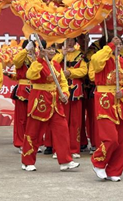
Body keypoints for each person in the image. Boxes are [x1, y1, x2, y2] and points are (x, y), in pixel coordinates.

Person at [20, 40, 80, 172]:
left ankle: (65, 161)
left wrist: (65, 93)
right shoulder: (38, 63)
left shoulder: (56, 65)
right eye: (49, 48)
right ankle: (27, 161)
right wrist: (40, 60)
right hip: (40, 101)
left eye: (53, 48)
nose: (52, 51)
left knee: (62, 131)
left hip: (55, 103)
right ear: (41, 50)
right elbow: (30, 75)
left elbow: (63, 82)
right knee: (33, 133)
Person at [90, 35, 123, 182]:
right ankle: (98, 161)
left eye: (120, 43)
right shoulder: (101, 60)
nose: (118, 46)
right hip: (104, 100)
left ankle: (114, 170)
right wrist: (109, 47)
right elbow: (96, 62)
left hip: (121, 102)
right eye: (116, 43)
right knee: (111, 138)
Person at [54, 36, 88, 158]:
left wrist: (71, 73)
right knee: (61, 121)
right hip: (61, 89)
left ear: (75, 42)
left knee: (75, 122)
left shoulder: (80, 55)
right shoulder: (57, 54)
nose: (69, 42)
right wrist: (61, 55)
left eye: (71, 40)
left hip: (76, 89)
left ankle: (74, 149)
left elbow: (84, 71)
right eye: (67, 40)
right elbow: (51, 66)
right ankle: (58, 149)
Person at [10, 39, 33, 152]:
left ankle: (32, 142)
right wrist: (25, 51)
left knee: (32, 119)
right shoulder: (21, 58)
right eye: (30, 47)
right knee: (21, 119)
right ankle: (20, 143)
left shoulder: (36, 58)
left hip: (35, 89)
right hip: (23, 90)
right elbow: (16, 61)